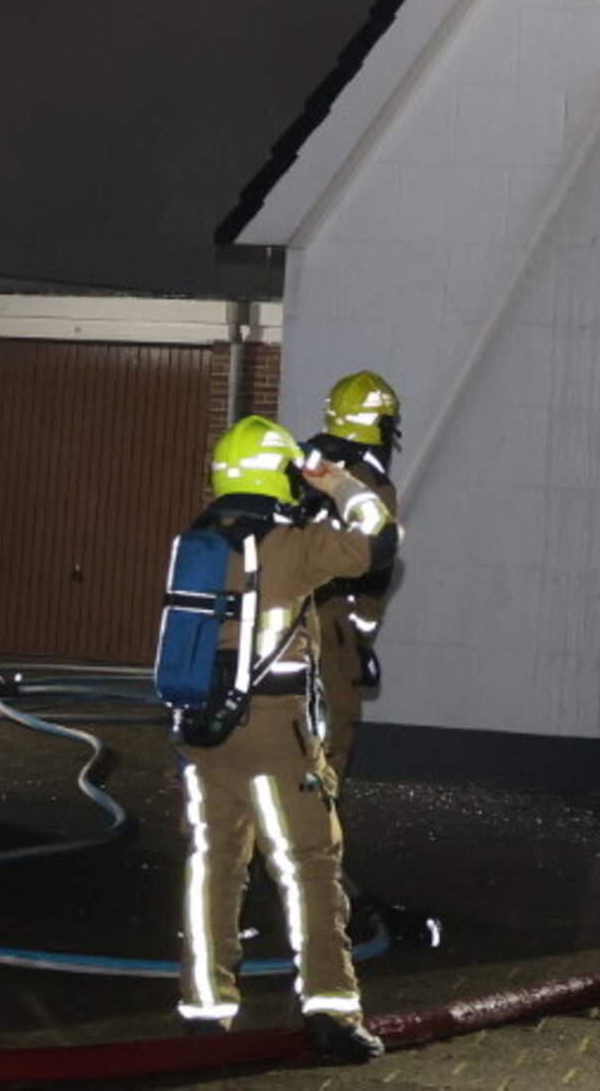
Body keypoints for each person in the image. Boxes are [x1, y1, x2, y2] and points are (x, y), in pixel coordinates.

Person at [171, 416, 386, 1061]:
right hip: (274, 735)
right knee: (310, 867)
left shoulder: (197, 541)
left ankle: (206, 1007)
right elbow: (377, 541)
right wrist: (339, 481)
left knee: (213, 864)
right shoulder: (293, 545)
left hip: (203, 732)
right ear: (278, 473)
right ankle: (330, 1010)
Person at [298, 371, 405, 790]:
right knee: (332, 730)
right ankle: (310, 835)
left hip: (266, 612)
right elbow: (375, 569)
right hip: (328, 619)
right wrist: (359, 642)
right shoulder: (369, 483)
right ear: (380, 426)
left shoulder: (297, 462)